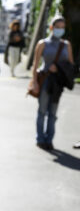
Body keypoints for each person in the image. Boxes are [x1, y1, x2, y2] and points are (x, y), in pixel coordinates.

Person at [31, 16, 74, 151]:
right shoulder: (42, 43)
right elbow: (35, 63)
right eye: (57, 27)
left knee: (53, 113)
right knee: (42, 110)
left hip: (58, 84)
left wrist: (60, 67)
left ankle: (49, 140)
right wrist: (34, 82)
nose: (60, 30)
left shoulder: (66, 45)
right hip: (45, 80)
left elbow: (71, 66)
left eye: (62, 27)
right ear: (51, 28)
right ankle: (40, 139)